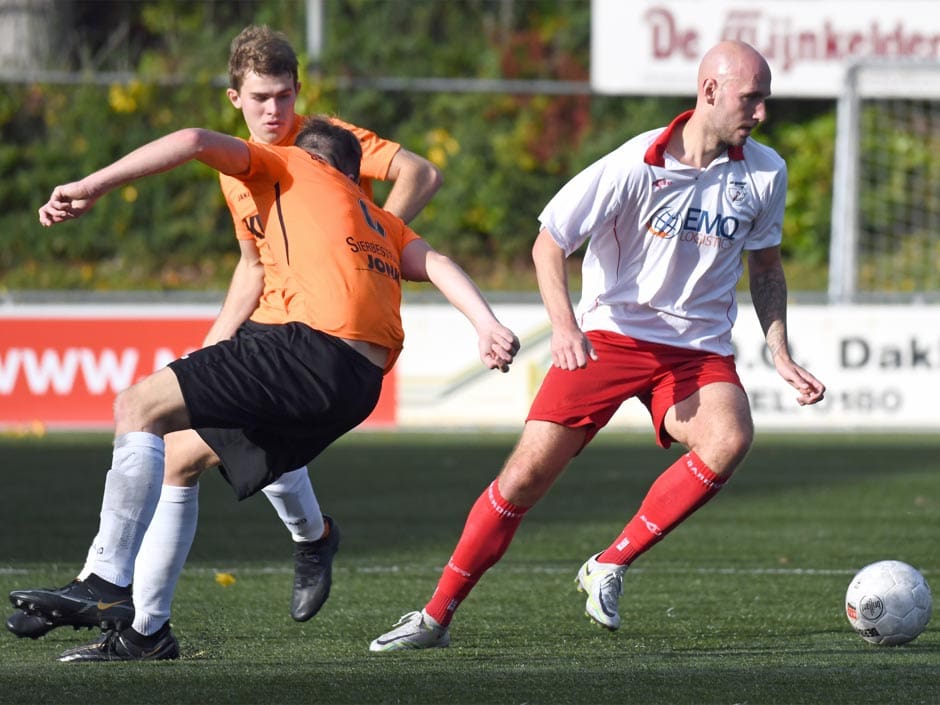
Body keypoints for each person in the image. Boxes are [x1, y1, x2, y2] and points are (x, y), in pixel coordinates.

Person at [368, 40, 826, 652]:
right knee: (525, 479)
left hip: (696, 349)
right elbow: (549, 242)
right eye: (752, 97)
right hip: (609, 337)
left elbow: (766, 269)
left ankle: (609, 564)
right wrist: (565, 327)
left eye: (765, 99)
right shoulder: (635, 162)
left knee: (731, 438)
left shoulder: (765, 171)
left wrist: (779, 350)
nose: (761, 112)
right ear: (710, 91)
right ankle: (434, 616)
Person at [15, 117, 520, 662]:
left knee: (137, 405)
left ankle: (104, 580)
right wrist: (486, 325)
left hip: (306, 350)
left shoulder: (288, 163)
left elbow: (191, 140)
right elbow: (438, 262)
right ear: (357, 176)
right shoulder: (381, 222)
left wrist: (90, 186)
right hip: (357, 387)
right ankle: (147, 633)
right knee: (179, 459)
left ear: (312, 160)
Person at [6, 24, 443, 640]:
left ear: (299, 93)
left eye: (285, 96)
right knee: (179, 459)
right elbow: (252, 266)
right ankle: (147, 627)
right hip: (280, 332)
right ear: (234, 96)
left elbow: (421, 173)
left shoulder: (324, 140)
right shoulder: (237, 165)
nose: (275, 110)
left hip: (316, 338)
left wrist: (369, 237)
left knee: (155, 418)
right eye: (261, 97)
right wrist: (214, 340)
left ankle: (115, 589)